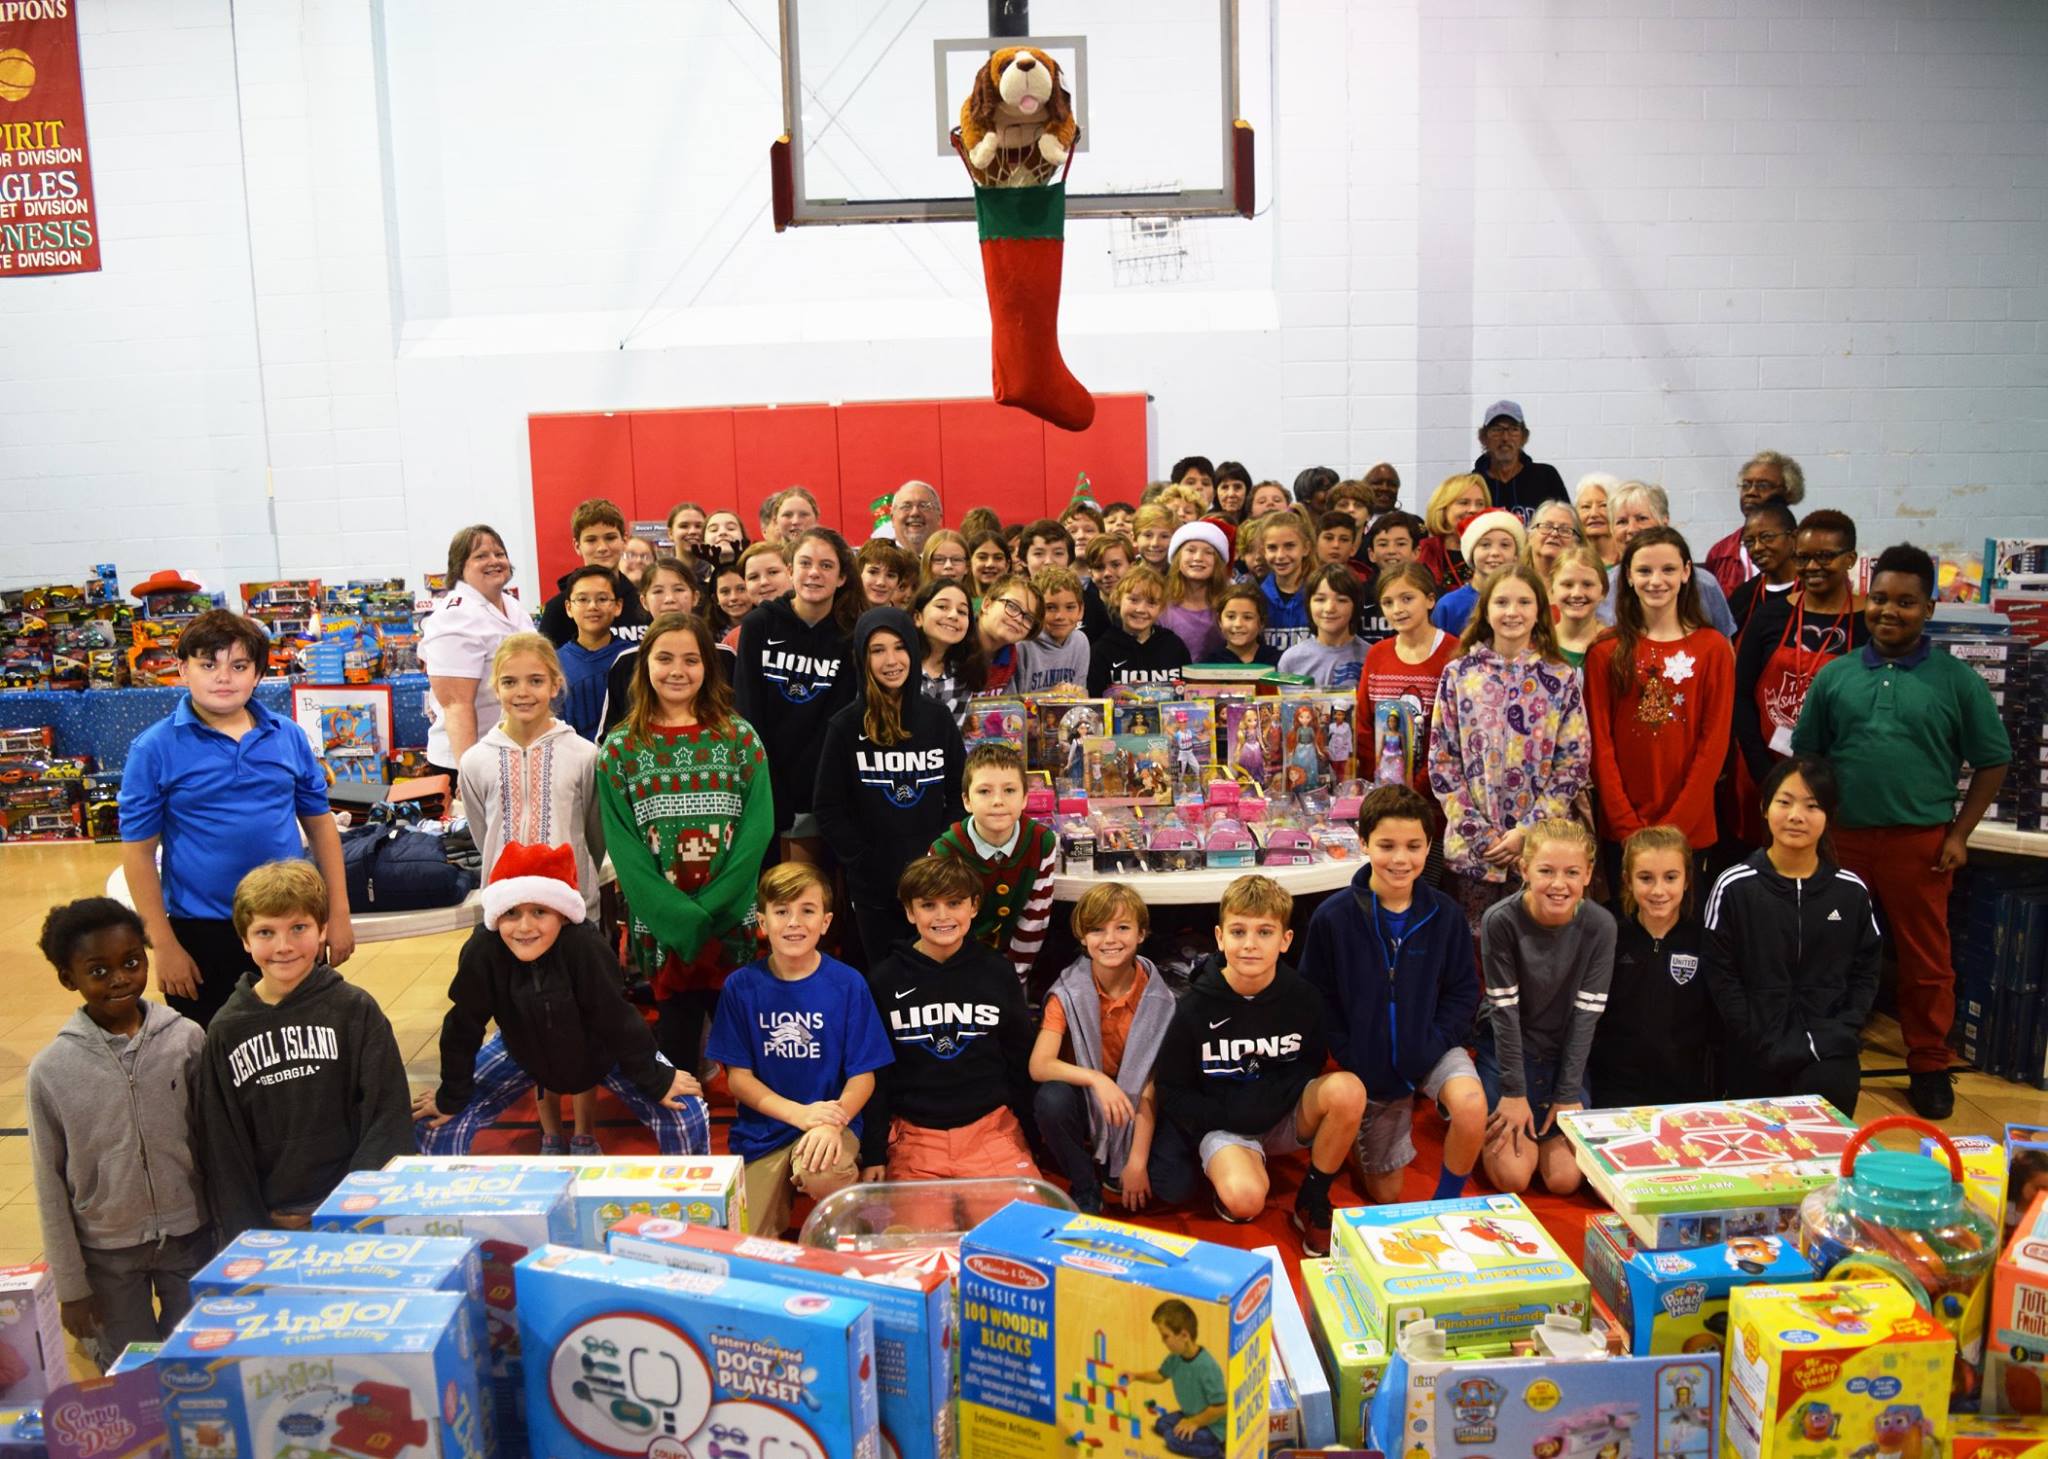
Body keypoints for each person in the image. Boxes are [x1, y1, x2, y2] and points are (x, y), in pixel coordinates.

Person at [1792, 543, 2012, 1119]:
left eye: (1906, 602)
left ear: (1929, 608)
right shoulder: (1836, 676)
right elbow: (1808, 756)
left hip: (1921, 845)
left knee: (1925, 961)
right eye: (1881, 598)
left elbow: (1994, 759)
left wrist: (1960, 834)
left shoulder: (1957, 681)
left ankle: (1930, 1063)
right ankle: (1821, 1049)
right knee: (1828, 950)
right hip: (1842, 841)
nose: (1890, 610)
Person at [119, 610, 352, 1028]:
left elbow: (321, 827)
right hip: (202, 930)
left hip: (290, 920)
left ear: (259, 674)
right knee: (213, 1046)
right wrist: (164, 945)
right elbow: (138, 854)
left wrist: (338, 913)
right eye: (208, 665)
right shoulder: (153, 749)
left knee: (302, 1040)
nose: (223, 678)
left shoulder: (287, 735)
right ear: (182, 669)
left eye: (239, 666)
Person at [413, 843, 708, 1156]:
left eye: (539, 911)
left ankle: (687, 1188)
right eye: (511, 912)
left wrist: (656, 1078)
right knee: (435, 1126)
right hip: (520, 1048)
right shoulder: (484, 950)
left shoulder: (584, 947)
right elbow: (463, 1026)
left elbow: (617, 1019)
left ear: (564, 916)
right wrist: (451, 1096)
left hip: (600, 1051)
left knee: (685, 1113)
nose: (524, 927)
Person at [29, 897, 209, 1366]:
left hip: (189, 1235)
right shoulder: (51, 1071)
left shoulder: (187, 1039)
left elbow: (215, 1143)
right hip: (108, 1251)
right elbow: (49, 1183)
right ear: (69, 978)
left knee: (196, 1360)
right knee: (132, 1371)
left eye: (131, 962)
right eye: (98, 970)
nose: (120, 978)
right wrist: (71, 1287)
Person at [600, 614, 774, 1080]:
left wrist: (713, 908)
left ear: (708, 667)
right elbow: (624, 845)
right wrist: (674, 915)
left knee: (747, 1057)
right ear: (645, 665)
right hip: (661, 929)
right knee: (676, 1056)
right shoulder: (620, 748)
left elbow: (757, 830)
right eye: (665, 658)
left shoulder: (739, 738)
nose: (677, 670)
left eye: (691, 660)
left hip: (729, 923)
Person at [196, 861, 412, 1237]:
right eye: (265, 932)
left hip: (352, 1210)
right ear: (245, 940)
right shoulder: (226, 1029)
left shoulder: (355, 1010)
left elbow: (387, 1114)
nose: (284, 946)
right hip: (272, 1218)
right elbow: (222, 1143)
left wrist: (352, 1208)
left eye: (299, 928)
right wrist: (251, 1230)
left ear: (322, 929)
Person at [1155, 875, 1364, 1256]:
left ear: (1285, 940)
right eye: (1239, 931)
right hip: (1226, 1124)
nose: (1250, 944)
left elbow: (1311, 1062)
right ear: (1220, 938)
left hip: (1282, 1115)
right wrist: (1230, 1115)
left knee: (1348, 1089)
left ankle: (1312, 1197)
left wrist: (1272, 1103)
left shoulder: (1304, 998)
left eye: (1265, 932)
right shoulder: (1193, 1007)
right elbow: (1172, 1089)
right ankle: (1233, 1170)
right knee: (1245, 1200)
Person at [1301, 785, 1485, 1205]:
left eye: (1413, 846)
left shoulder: (1446, 915)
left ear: (1429, 847)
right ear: (1364, 843)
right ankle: (1355, 1135)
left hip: (1431, 1047)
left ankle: (1447, 1205)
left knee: (1472, 1105)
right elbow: (1317, 996)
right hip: (1369, 1066)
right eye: (1387, 846)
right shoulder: (1332, 917)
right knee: (1387, 1193)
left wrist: (1435, 1041)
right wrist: (1348, 1051)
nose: (1400, 859)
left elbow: (1463, 990)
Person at [707, 864, 893, 1236]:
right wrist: (800, 1115)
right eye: (781, 911)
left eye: (807, 911)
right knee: (745, 1241)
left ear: (825, 922)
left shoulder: (848, 984)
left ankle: (847, 1227)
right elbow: (739, 1080)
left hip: (831, 1124)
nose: (794, 922)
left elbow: (863, 1076)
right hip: (764, 1130)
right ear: (762, 922)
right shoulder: (740, 987)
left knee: (823, 1170)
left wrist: (831, 1121)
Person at [1703, 755, 1880, 1115]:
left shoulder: (1850, 891)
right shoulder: (1734, 886)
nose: (1796, 816)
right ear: (1764, 807)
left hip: (1828, 1051)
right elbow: (1719, 970)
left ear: (1829, 815)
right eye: (1784, 802)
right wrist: (1750, 1031)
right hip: (1754, 1049)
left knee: (1826, 1139)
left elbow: (1867, 970)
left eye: (1812, 806)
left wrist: (1842, 1029)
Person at [858, 855, 1039, 1182]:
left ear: (973, 906)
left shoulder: (997, 972)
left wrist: (1032, 1137)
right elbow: (876, 1073)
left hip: (991, 1129)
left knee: (1022, 1214)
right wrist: (873, 1153)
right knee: (913, 1218)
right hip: (915, 1135)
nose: (942, 916)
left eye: (954, 903)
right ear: (910, 912)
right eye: (928, 905)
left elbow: (1020, 1057)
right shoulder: (884, 980)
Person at [1429, 567, 1592, 929]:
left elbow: (1573, 763)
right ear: (1486, 610)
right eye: (1501, 602)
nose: (1512, 612)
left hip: (1540, 853)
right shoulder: (1458, 674)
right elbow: (1442, 762)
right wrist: (1477, 832)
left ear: (1539, 610)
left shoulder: (1560, 677)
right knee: (1475, 946)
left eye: (1524, 602)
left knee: (1537, 943)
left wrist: (1527, 831)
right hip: (1472, 853)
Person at [1032, 883, 1196, 1215]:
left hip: (1140, 1104)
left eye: (1122, 927)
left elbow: (1152, 1086)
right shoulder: (1067, 992)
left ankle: (1119, 1162)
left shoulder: (1163, 1000)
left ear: (1141, 933)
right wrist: (1096, 1080)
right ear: (1082, 937)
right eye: (1097, 929)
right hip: (1091, 1097)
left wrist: (1136, 1162)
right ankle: (1085, 1183)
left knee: (1175, 1187)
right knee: (1051, 1100)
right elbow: (1039, 1065)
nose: (1110, 939)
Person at [814, 607, 967, 961]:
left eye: (899, 647)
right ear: (863, 658)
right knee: (885, 977)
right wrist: (865, 862)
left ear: (913, 650)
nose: (891, 660)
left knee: (934, 972)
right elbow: (829, 808)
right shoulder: (845, 726)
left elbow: (960, 795)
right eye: (877, 650)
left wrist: (939, 854)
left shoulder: (937, 719)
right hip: (874, 889)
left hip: (934, 882)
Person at [1476, 819, 1611, 1197]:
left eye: (1572, 873)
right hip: (1508, 1049)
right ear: (1524, 869)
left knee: (1564, 1180)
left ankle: (1549, 1117)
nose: (1558, 884)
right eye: (1546, 871)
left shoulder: (1601, 926)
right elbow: (1504, 1013)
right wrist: (1513, 1092)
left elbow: (1586, 1016)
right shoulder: (1500, 920)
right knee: (1514, 1176)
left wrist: (1567, 1094)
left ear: (1588, 874)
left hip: (1562, 1053)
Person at [1584, 527, 1735, 858]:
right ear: (1628, 576)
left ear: (1686, 572)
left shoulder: (1712, 648)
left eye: (1668, 569)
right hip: (1623, 828)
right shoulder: (1605, 650)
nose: (1656, 580)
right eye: (1644, 570)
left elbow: (1714, 743)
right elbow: (1600, 744)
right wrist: (1625, 825)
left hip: (1689, 828)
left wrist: (1675, 828)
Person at [459, 634, 606, 928]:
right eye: (509, 682)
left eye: (536, 681)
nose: (522, 692)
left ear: (555, 685)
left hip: (571, 909)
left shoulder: (584, 755)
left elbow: (595, 835)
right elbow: (482, 834)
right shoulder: (475, 761)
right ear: (496, 688)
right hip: (505, 911)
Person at [734, 527, 859, 865]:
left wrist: (824, 789)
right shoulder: (759, 625)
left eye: (826, 565)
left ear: (842, 577)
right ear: (790, 570)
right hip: (766, 780)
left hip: (825, 785)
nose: (814, 573)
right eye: (805, 563)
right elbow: (747, 711)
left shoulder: (851, 635)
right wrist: (769, 786)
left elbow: (842, 718)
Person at [1587, 825, 1713, 1108]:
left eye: (1670, 877)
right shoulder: (1610, 938)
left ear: (1687, 880)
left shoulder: (1705, 942)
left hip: (1687, 1093)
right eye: (1645, 878)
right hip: (1614, 1090)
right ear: (1627, 880)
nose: (1658, 890)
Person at [930, 745, 1060, 989]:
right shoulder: (945, 851)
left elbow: (1034, 918)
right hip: (957, 968)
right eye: (984, 791)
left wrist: (1013, 980)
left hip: (1013, 968)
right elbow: (941, 926)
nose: (998, 801)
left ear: (1025, 798)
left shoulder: (1041, 842)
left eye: (1009, 790)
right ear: (967, 801)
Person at [420, 524, 526, 776]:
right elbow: (456, 705)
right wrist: (468, 776)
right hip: (468, 760)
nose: (494, 561)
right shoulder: (455, 617)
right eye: (481, 556)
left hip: (509, 751)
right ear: (460, 567)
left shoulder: (511, 605)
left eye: (499, 554)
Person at [1360, 564, 1456, 803]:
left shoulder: (1455, 653)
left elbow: (1452, 734)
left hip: (1438, 796)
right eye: (1388, 602)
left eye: (1407, 599)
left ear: (1430, 600)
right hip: (1384, 790)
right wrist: (1382, 781)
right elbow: (1363, 725)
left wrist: (1416, 788)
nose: (1398, 610)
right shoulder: (1377, 654)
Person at [1598, 482, 1738, 635]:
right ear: (1611, 530)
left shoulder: (1705, 585)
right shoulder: (1602, 588)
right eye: (1622, 522)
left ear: (1664, 523)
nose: (1631, 529)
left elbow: (1724, 643)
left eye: (1642, 518)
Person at [601, 556, 700, 736]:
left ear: (695, 597)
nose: (669, 599)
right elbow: (610, 734)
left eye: (679, 589)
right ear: (644, 601)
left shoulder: (722, 656)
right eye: (658, 591)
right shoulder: (626, 662)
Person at [538, 498, 651, 648]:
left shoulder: (644, 602)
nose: (602, 547)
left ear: (624, 540)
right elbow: (545, 661)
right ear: (577, 545)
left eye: (610, 538)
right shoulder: (557, 609)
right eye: (591, 540)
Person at [1127, 1301, 1227, 1459]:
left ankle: (1216, 1451)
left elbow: (1221, 1407)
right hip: (1189, 1414)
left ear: (1184, 1335)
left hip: (1212, 1427)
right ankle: (1189, 1437)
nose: (1162, 1341)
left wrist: (1194, 1422)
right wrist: (1136, 1376)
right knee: (1161, 1425)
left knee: (1172, 1439)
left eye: (1165, 1336)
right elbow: (1161, 1375)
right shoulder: (1176, 1358)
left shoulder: (1207, 1366)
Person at [1705, 451, 1806, 599]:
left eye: (1763, 485)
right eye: (1746, 485)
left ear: (1789, 492)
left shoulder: (1809, 548)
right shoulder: (1720, 552)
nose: (1751, 492)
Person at [1089, 564, 1192, 696]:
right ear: (1117, 599)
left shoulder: (1174, 646)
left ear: (1161, 608)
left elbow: (1189, 696)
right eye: (1133, 600)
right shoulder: (1101, 651)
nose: (1141, 609)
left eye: (1151, 603)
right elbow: (1095, 702)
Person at [556, 564, 628, 741]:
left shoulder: (634, 657)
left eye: (602, 599)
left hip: (624, 754)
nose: (592, 606)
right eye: (582, 599)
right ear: (568, 608)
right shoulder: (553, 663)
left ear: (618, 606)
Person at [1431, 510, 1529, 634]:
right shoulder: (1450, 605)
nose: (1495, 553)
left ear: (1516, 555)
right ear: (1471, 552)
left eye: (1505, 545)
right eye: (1485, 545)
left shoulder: (1526, 601)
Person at [1471, 400, 1568, 518]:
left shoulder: (1546, 477)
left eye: (1513, 429)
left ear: (1524, 437)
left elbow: (1567, 522)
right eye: (1497, 430)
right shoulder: (1473, 483)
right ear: (1483, 438)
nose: (1505, 438)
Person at [1278, 565, 1368, 689]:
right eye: (1320, 599)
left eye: (1341, 600)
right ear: (1308, 605)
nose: (1329, 608)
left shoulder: (1371, 656)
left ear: (1355, 606)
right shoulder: (1291, 659)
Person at [913, 578, 984, 720]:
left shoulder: (964, 673)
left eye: (962, 612)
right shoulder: (900, 665)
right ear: (918, 617)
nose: (953, 616)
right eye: (942, 606)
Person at [1725, 501, 1799, 634]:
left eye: (1766, 537)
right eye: (1749, 542)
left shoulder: (1814, 590)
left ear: (1793, 538)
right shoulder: (1743, 597)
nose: (1757, 548)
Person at [1160, 522, 1230, 661]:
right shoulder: (1160, 603)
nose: (1198, 558)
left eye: (1208, 552)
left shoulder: (1230, 602)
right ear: (1177, 557)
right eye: (1191, 550)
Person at [1017, 566, 1090, 694]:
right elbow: (1011, 701)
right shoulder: (1021, 645)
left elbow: (1081, 694)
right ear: (1035, 609)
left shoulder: (1080, 642)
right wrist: (1052, 697)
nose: (1060, 616)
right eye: (1050, 608)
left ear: (1081, 611)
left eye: (1070, 607)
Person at [1415, 474, 1492, 592]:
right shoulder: (1426, 550)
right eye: (1464, 502)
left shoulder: (1495, 550)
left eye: (1480, 504)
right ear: (1443, 509)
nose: (1474, 510)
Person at [973, 573, 1043, 695]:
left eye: (1028, 618)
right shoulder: (956, 642)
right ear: (987, 605)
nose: (1019, 619)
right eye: (1012, 606)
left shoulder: (1011, 655)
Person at [1257, 512, 1314, 657]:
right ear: (1263, 551)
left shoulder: (1320, 595)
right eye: (1272, 547)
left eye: (1289, 546)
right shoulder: (1255, 597)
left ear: (1306, 548)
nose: (1280, 555)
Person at [1547, 546, 1607, 668]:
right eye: (1567, 585)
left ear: (1603, 591)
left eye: (1587, 584)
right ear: (1552, 591)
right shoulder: (1539, 644)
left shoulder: (1617, 646)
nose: (1577, 594)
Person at [1215, 584, 1280, 667]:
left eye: (1247, 617)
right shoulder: (1210, 664)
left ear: (1261, 622)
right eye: (1231, 617)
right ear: (1219, 621)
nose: (1238, 624)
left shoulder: (1279, 661)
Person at [1525, 500, 1583, 581]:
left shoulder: (1585, 582)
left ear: (1576, 543)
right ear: (1530, 536)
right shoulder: (1514, 580)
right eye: (1547, 526)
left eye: (1564, 530)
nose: (1554, 533)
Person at [856, 538, 918, 611]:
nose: (881, 582)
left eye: (890, 575)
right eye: (873, 572)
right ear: (859, 573)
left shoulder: (906, 618)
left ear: (898, 582)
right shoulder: (844, 614)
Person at [1575, 473, 1621, 568]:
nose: (1594, 514)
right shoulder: (1569, 562)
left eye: (1603, 505)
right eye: (1586, 507)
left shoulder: (1631, 560)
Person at [888, 480, 943, 557]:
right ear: (892, 519)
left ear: (939, 518)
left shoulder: (952, 559)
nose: (915, 512)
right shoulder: (877, 560)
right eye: (906, 506)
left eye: (923, 506)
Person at [706, 561, 751, 640]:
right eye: (725, 591)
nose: (733, 597)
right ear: (715, 599)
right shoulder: (707, 636)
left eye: (742, 589)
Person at [1131, 503, 1176, 573]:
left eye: (1164, 536)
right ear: (1134, 539)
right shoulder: (1124, 573)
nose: (1155, 543)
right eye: (1148, 535)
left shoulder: (1183, 575)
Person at [967, 528, 1012, 597]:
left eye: (998, 558)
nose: (990, 564)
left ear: (1007, 565)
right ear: (969, 563)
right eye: (982, 557)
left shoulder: (1019, 599)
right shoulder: (958, 598)